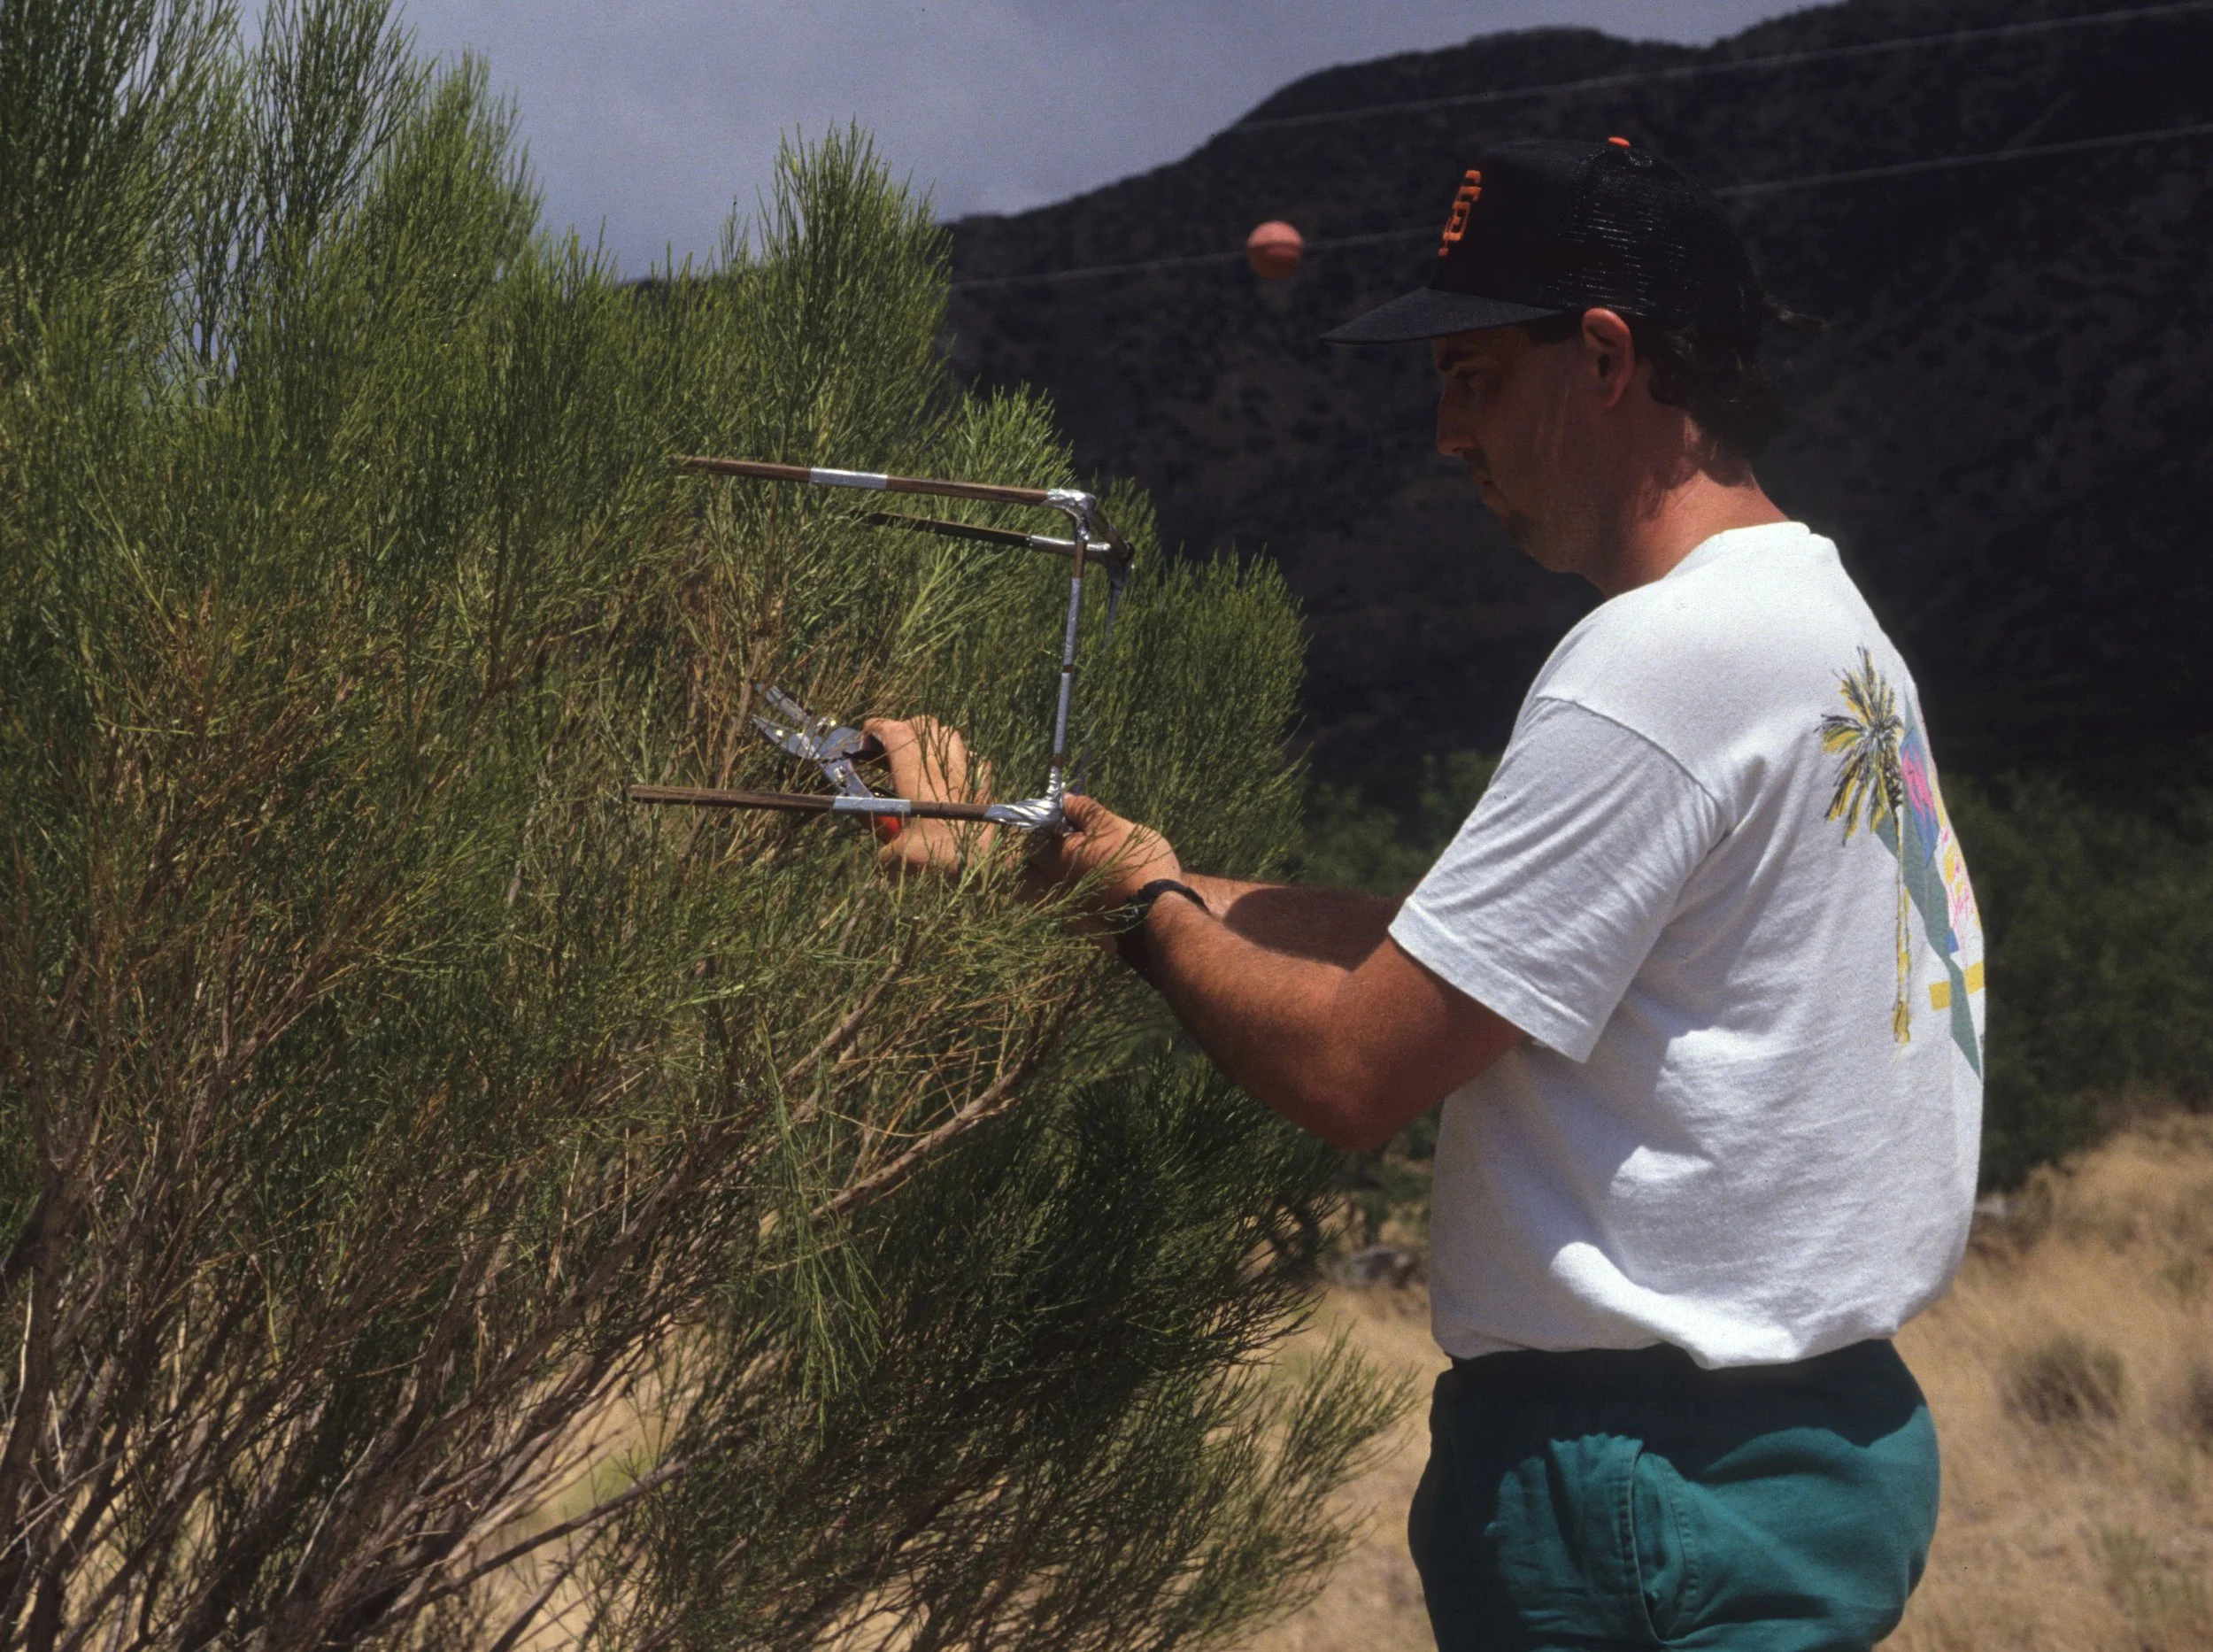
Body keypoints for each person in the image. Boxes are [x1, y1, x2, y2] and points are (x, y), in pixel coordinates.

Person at [869, 135, 1985, 1652]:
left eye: (1471, 374)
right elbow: (1463, 956)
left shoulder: (1660, 665)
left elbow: (1353, 1065)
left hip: (1643, 1480)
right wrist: (1105, 862)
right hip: (1808, 1455)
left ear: (1600, 358)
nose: (1444, 432)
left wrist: (1133, 907)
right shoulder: (1816, 620)